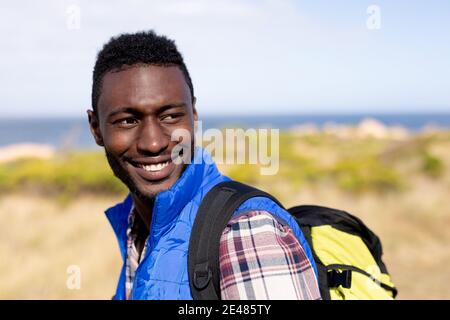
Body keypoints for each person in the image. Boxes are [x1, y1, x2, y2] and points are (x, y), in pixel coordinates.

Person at [87, 30, 321, 300]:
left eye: (171, 116)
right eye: (128, 120)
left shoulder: (247, 231)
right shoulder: (136, 225)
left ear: (194, 115)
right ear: (96, 128)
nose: (153, 143)